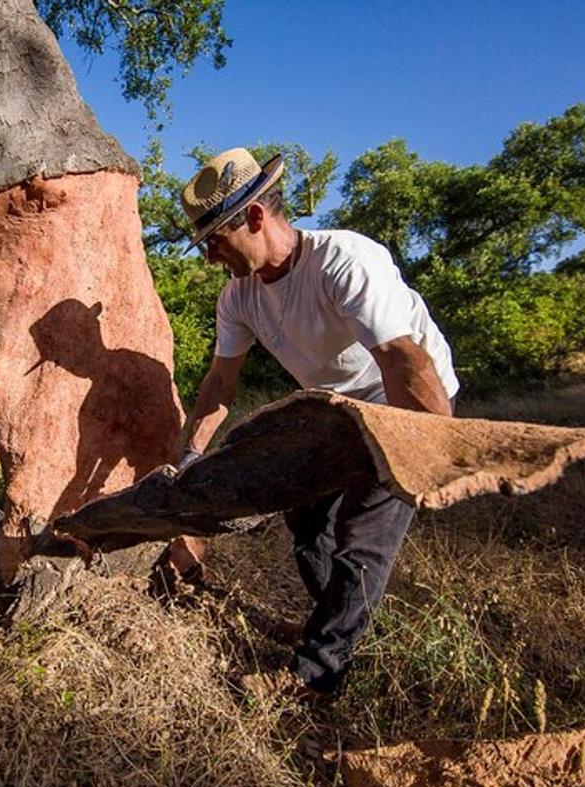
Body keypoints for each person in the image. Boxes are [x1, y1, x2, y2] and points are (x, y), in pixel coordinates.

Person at [176, 148, 459, 699]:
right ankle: (335, 623)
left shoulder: (343, 261)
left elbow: (405, 360)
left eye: (215, 239)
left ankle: (317, 674)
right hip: (334, 411)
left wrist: (427, 449)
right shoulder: (239, 297)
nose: (210, 256)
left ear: (255, 218)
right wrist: (189, 460)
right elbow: (218, 385)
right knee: (307, 522)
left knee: (363, 536)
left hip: (403, 402)